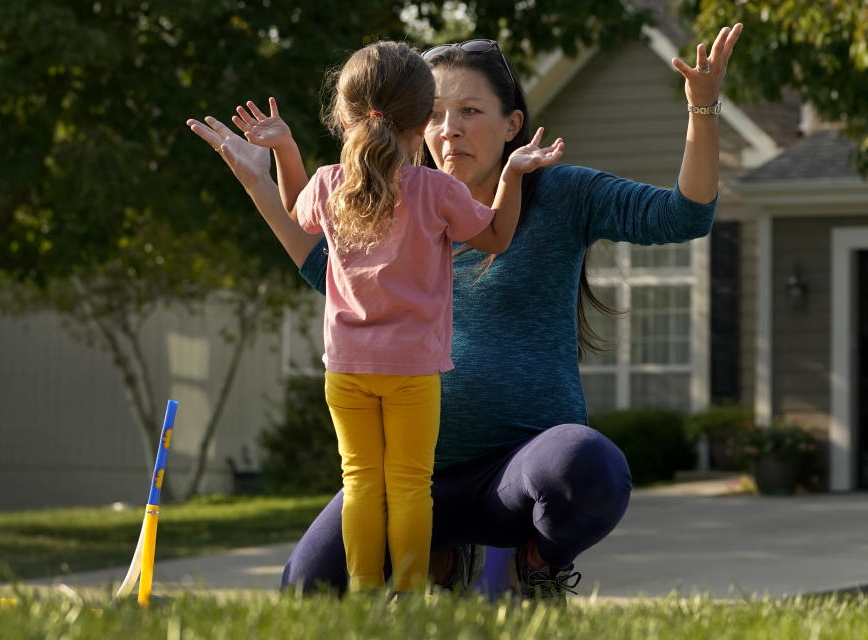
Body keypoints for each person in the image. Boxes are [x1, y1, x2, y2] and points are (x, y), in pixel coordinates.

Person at [188, 24, 743, 603]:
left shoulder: (561, 195)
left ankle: (535, 564)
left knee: (590, 466)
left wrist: (702, 109)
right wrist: (259, 179)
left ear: (512, 125)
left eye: (470, 110)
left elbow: (686, 215)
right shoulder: (383, 199)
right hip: (413, 479)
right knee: (307, 588)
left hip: (518, 478)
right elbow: (318, 260)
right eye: (435, 113)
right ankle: (442, 555)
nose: (449, 129)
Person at [193, 41, 562, 593]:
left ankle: (366, 589)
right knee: (411, 484)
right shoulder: (436, 191)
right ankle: (410, 590)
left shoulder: (327, 184)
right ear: (422, 124)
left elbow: (299, 217)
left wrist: (286, 151)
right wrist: (511, 175)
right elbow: (497, 236)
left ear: (344, 119)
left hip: (346, 370)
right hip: (413, 372)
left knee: (362, 481)